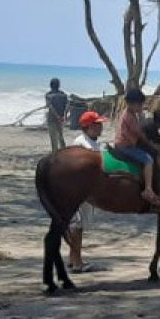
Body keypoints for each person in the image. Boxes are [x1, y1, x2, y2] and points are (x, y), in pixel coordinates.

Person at [68, 111, 106, 273]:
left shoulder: (94, 143)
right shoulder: (81, 144)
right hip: (78, 190)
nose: (100, 127)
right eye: (97, 125)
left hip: (87, 191)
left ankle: (73, 259)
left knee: (79, 225)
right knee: (76, 225)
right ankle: (77, 263)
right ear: (88, 127)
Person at [114, 88, 160, 207]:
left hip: (125, 143)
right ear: (132, 104)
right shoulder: (129, 117)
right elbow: (139, 133)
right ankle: (148, 190)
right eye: (140, 104)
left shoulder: (129, 113)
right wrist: (150, 144)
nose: (141, 106)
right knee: (148, 159)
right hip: (125, 146)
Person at [45, 78, 69, 152]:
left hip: (52, 119)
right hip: (61, 118)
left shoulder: (48, 95)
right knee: (60, 137)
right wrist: (64, 115)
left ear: (51, 85)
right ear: (59, 85)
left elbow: (50, 106)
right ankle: (64, 153)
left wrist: (57, 116)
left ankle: (55, 154)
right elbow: (68, 105)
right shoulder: (63, 94)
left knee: (53, 138)